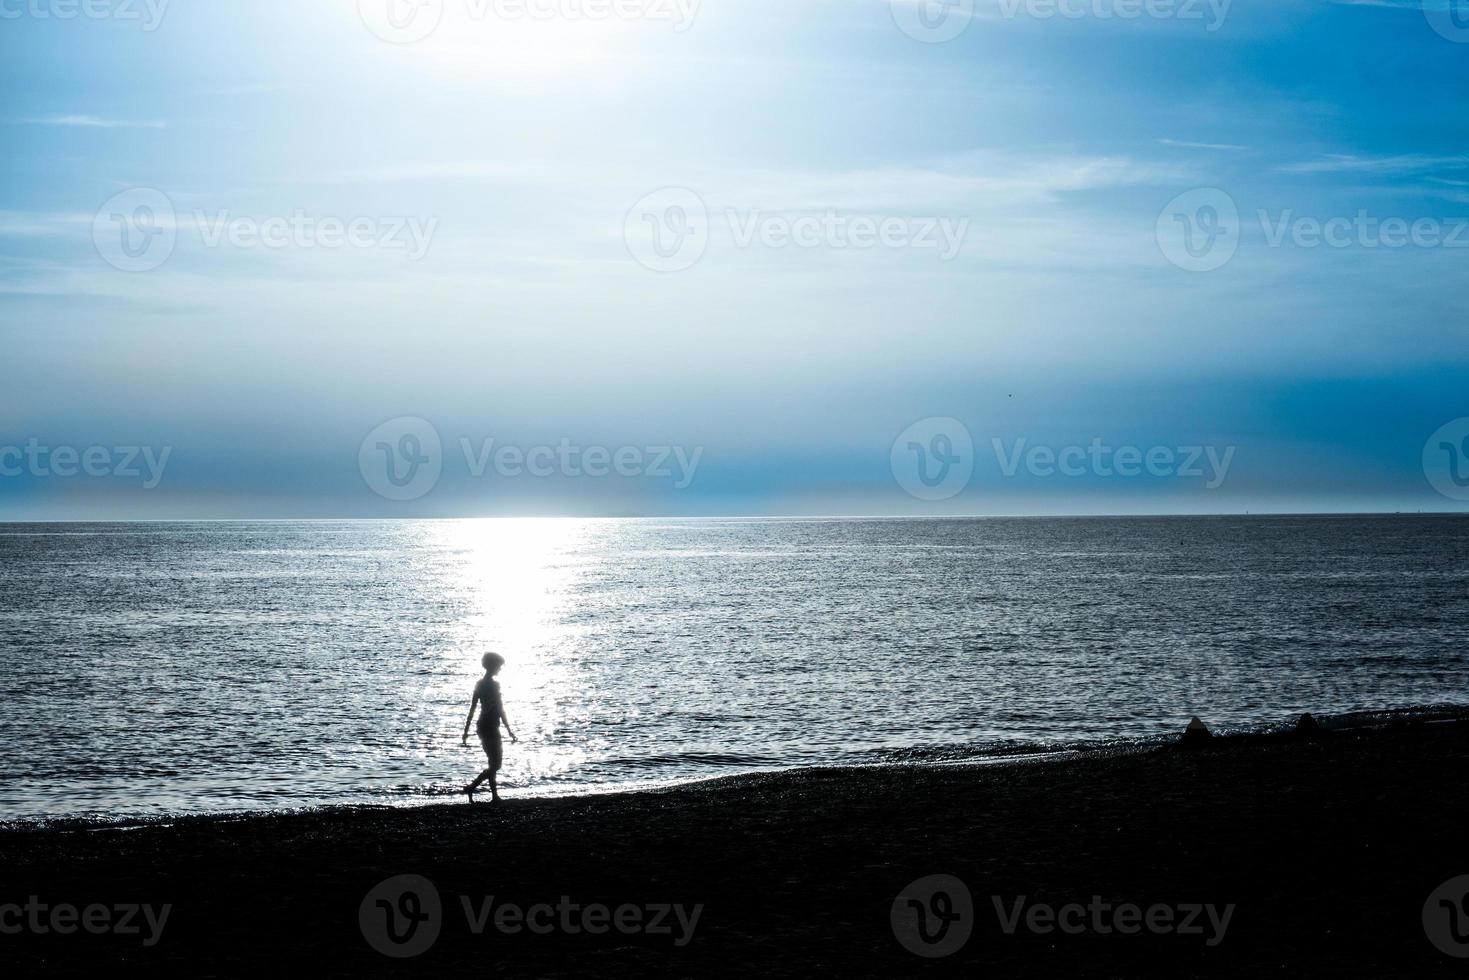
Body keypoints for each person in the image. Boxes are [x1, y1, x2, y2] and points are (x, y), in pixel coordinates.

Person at [461, 652, 518, 803]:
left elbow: (472, 709)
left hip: (482, 725)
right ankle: (472, 787)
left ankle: (494, 796)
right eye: (499, 666)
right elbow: (500, 709)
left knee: (492, 763)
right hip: (490, 726)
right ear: (493, 666)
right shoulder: (494, 685)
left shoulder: (479, 684)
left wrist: (466, 731)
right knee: (496, 764)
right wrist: (509, 730)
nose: (500, 669)